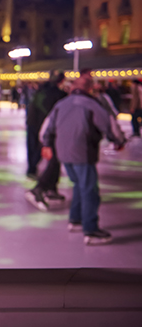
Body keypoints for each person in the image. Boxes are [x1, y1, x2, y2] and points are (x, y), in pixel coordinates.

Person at [40, 70, 126, 245]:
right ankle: (91, 229)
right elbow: (108, 124)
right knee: (90, 190)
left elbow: (46, 128)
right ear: (90, 88)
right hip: (82, 151)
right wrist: (118, 140)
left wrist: (47, 144)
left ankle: (76, 219)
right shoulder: (92, 104)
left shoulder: (61, 103)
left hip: (63, 152)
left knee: (79, 185)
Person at [24, 72, 67, 211]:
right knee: (54, 158)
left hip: (34, 124)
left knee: (44, 153)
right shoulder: (59, 95)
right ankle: (41, 188)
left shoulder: (41, 91)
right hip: (47, 128)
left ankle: (49, 187)